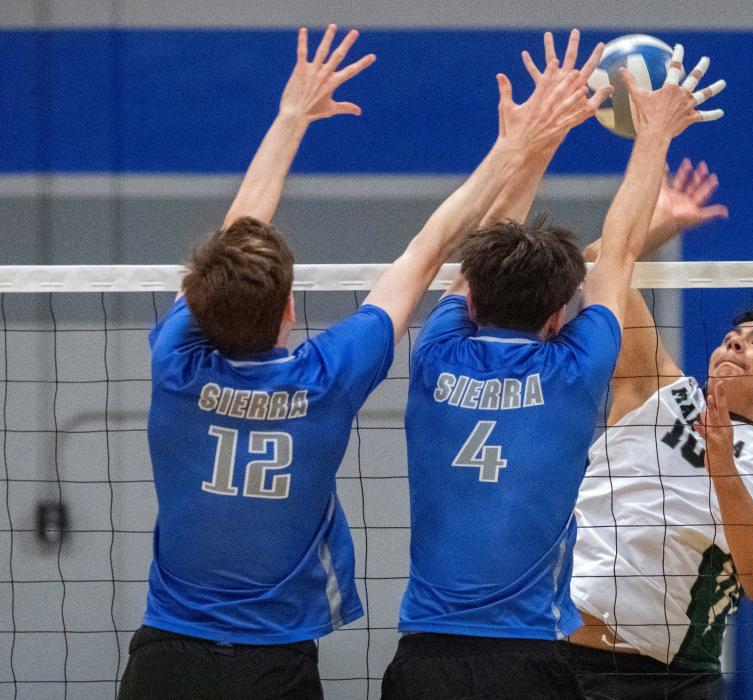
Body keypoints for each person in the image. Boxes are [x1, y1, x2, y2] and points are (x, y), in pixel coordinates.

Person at [119, 24, 592, 700]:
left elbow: (236, 234)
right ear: (289, 311)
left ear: (194, 307)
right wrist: (511, 149)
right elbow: (428, 252)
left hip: (168, 656)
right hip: (275, 665)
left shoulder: (176, 364)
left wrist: (287, 119)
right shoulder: (327, 377)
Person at [382, 35, 725, 699]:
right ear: (557, 319)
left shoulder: (435, 351)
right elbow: (617, 253)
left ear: (473, 297)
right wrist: (651, 136)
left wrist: (538, 137)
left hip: (424, 659)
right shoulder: (576, 368)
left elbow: (486, 246)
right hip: (528, 663)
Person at [565, 163, 753, 698]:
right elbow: (598, 270)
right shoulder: (656, 385)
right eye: (731, 336)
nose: (733, 344)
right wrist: (659, 227)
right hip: (557, 657)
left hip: (666, 681)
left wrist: (722, 461)